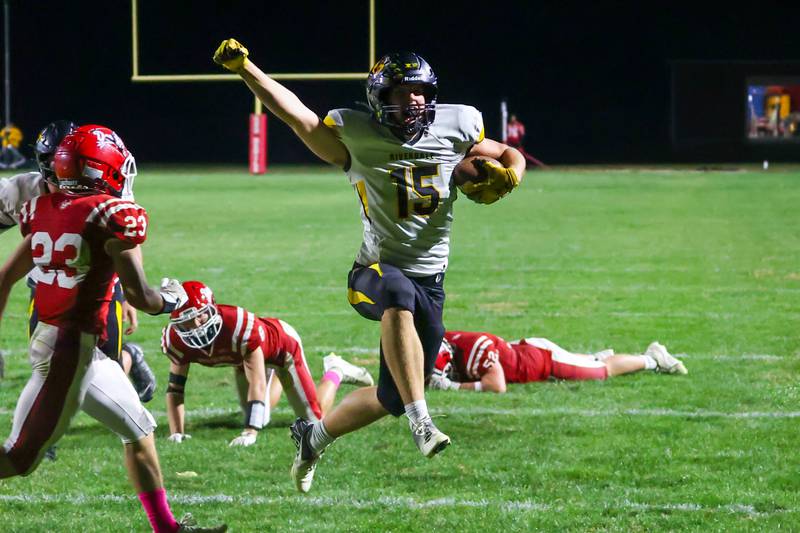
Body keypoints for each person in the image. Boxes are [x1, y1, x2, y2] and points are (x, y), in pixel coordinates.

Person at [213, 39, 525, 492]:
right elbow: (295, 114)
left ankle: (312, 438)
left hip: (431, 281)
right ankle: (422, 422)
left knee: (389, 397)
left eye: (419, 90)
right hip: (372, 275)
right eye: (402, 91)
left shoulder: (458, 125)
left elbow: (507, 154)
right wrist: (247, 70)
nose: (414, 99)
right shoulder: (357, 135)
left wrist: (514, 173)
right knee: (395, 293)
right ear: (381, 98)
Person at [0, 125, 226, 533]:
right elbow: (142, 297)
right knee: (19, 459)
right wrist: (174, 297)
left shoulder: (44, 208)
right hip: (67, 351)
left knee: (138, 428)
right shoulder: (111, 216)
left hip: (76, 349)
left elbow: (5, 277)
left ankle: (167, 529)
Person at [0, 121, 156, 405]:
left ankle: (129, 357)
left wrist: (131, 296)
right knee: (47, 366)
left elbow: (126, 243)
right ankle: (41, 440)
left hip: (101, 287)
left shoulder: (102, 189)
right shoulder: (22, 191)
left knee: (105, 373)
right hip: (50, 283)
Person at [161, 281, 373, 447]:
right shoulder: (177, 340)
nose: (194, 326)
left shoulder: (238, 326)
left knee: (313, 422)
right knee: (260, 416)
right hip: (244, 359)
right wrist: (176, 432)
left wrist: (249, 432)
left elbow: (258, 384)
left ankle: (336, 369)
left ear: (211, 309)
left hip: (282, 348)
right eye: (185, 322)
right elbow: (175, 388)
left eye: (198, 317)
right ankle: (280, 379)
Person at [428, 330, 688, 393]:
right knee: (595, 362)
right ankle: (595, 357)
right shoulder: (451, 341)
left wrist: (451, 387)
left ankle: (653, 359)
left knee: (601, 371)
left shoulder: (474, 349)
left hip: (543, 361)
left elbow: (497, 385)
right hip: (530, 352)